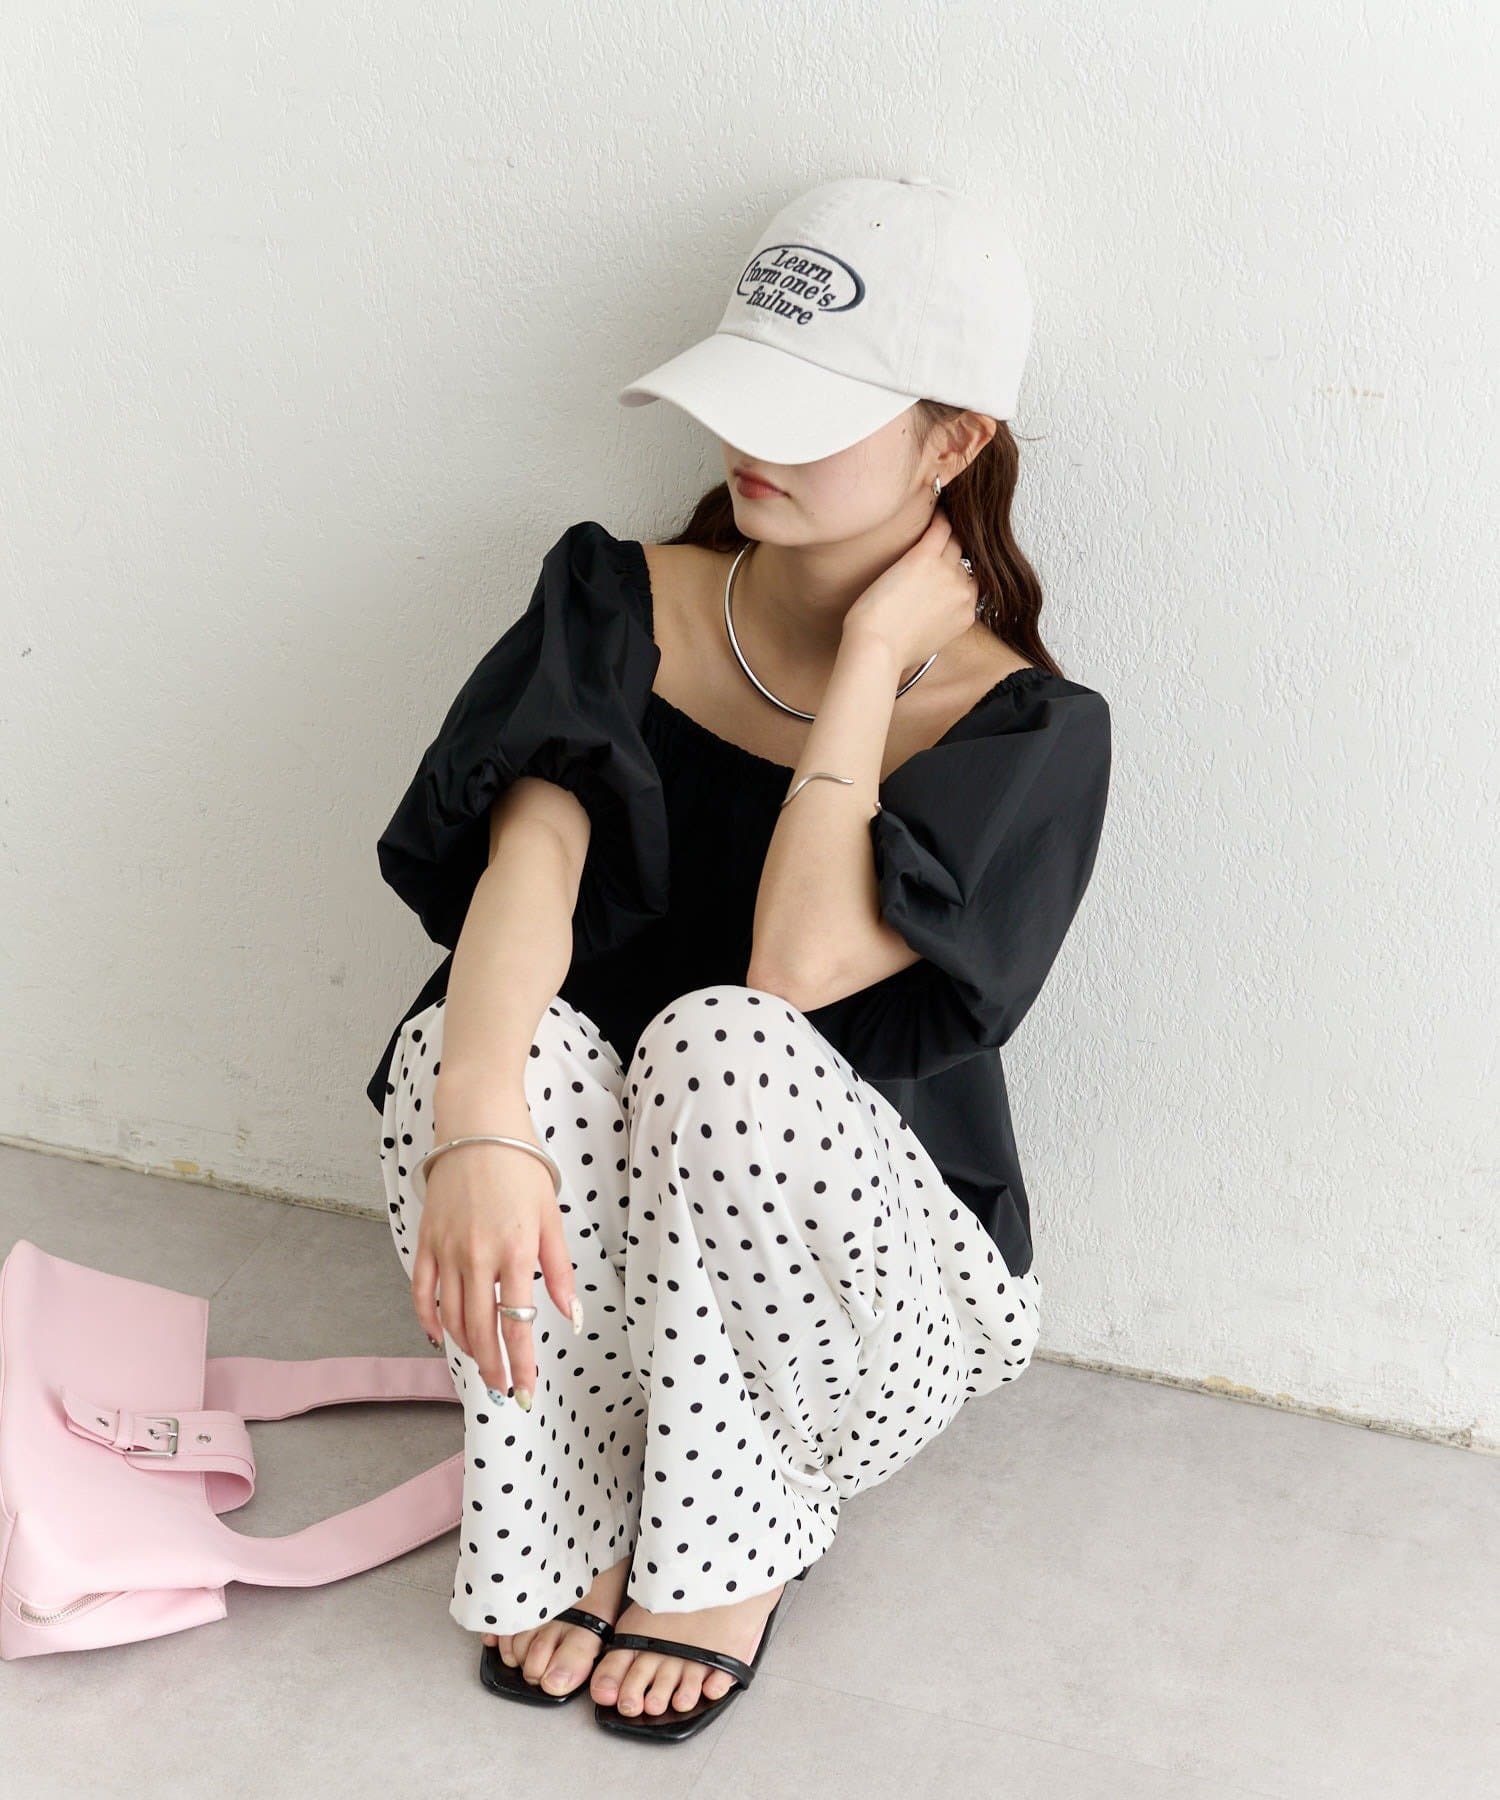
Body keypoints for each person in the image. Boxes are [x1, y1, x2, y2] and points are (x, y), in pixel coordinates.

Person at [368, 174, 1112, 1742]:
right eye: (744, 394)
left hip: (859, 1317)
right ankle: (570, 1489)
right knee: (470, 1045)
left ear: (953, 443)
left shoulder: (1028, 732)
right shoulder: (616, 599)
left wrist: (868, 664)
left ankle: (734, 1544)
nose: (749, 445)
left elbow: (791, 966)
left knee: (723, 1037)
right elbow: (528, 866)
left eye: (812, 416)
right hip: (608, 1275)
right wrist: (479, 1120)